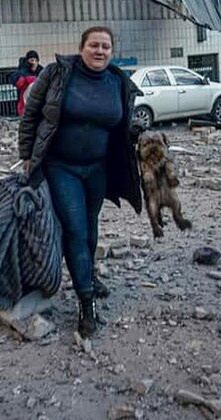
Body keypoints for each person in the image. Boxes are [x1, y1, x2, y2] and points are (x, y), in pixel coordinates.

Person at [18, 27, 143, 338]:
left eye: (105, 47)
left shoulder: (118, 82)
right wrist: (27, 155)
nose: (99, 51)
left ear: (111, 51)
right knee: (75, 230)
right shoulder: (59, 73)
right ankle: (86, 304)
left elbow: (119, 124)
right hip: (62, 167)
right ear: (82, 47)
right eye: (94, 45)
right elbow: (31, 114)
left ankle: (87, 276)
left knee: (90, 227)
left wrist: (136, 132)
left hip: (98, 168)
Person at [10, 50, 44, 117]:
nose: (34, 63)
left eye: (35, 61)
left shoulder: (41, 70)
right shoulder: (23, 71)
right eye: (32, 60)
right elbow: (18, 83)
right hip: (25, 103)